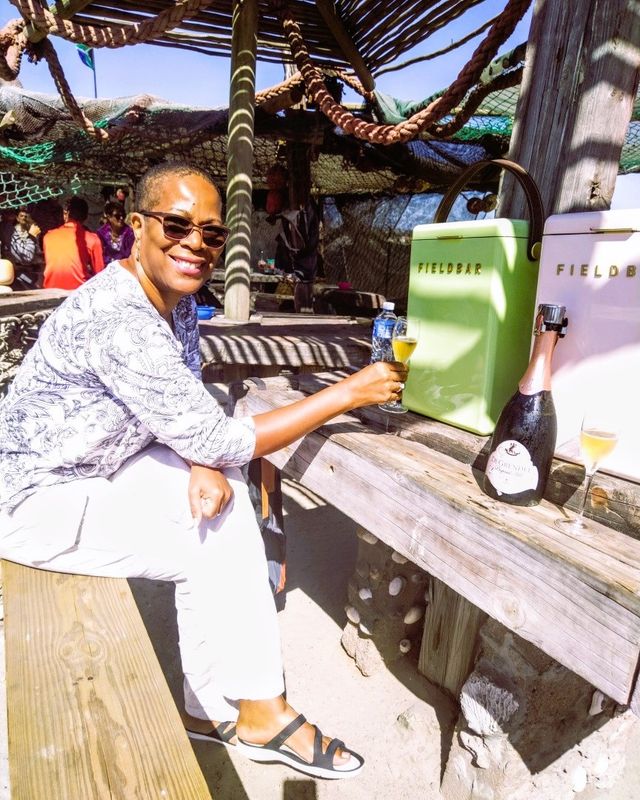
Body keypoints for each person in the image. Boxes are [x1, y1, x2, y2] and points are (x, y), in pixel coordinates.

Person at [0, 162, 406, 780]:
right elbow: (221, 434)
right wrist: (347, 394)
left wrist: (198, 459)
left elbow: (187, 396)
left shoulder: (173, 298)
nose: (195, 243)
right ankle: (259, 711)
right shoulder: (119, 315)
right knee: (212, 531)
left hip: (101, 464)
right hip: (35, 498)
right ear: (136, 226)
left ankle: (211, 705)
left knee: (222, 497)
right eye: (176, 224)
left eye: (211, 234)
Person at [42, 196, 105, 290]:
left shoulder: (48, 237)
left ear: (66, 214)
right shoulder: (92, 239)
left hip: (50, 290)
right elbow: (100, 275)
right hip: (77, 293)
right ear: (86, 216)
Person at [7, 208, 44, 290]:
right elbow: (27, 257)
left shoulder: (33, 229)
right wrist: (31, 237)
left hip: (35, 269)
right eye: (21, 216)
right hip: (22, 271)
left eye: (26, 216)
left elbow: (37, 249)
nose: (24, 218)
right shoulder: (15, 232)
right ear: (17, 218)